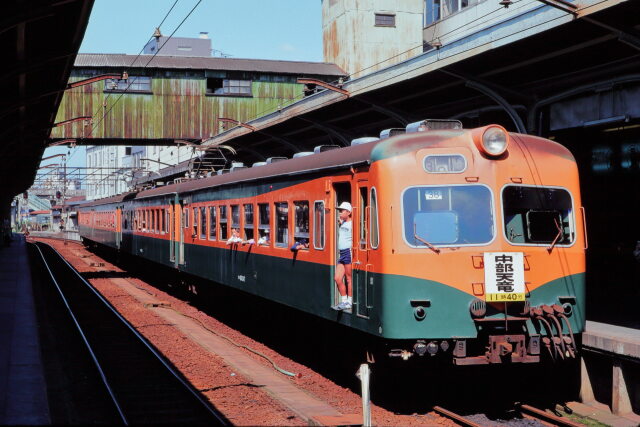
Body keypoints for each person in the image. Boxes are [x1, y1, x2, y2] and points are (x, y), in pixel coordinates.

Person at [333, 201, 353, 311]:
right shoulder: (344, 223)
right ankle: (344, 301)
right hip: (342, 253)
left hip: (348, 252)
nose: (339, 213)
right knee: (337, 278)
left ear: (349, 212)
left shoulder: (352, 224)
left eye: (341, 211)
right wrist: (341, 223)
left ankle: (349, 302)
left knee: (349, 278)